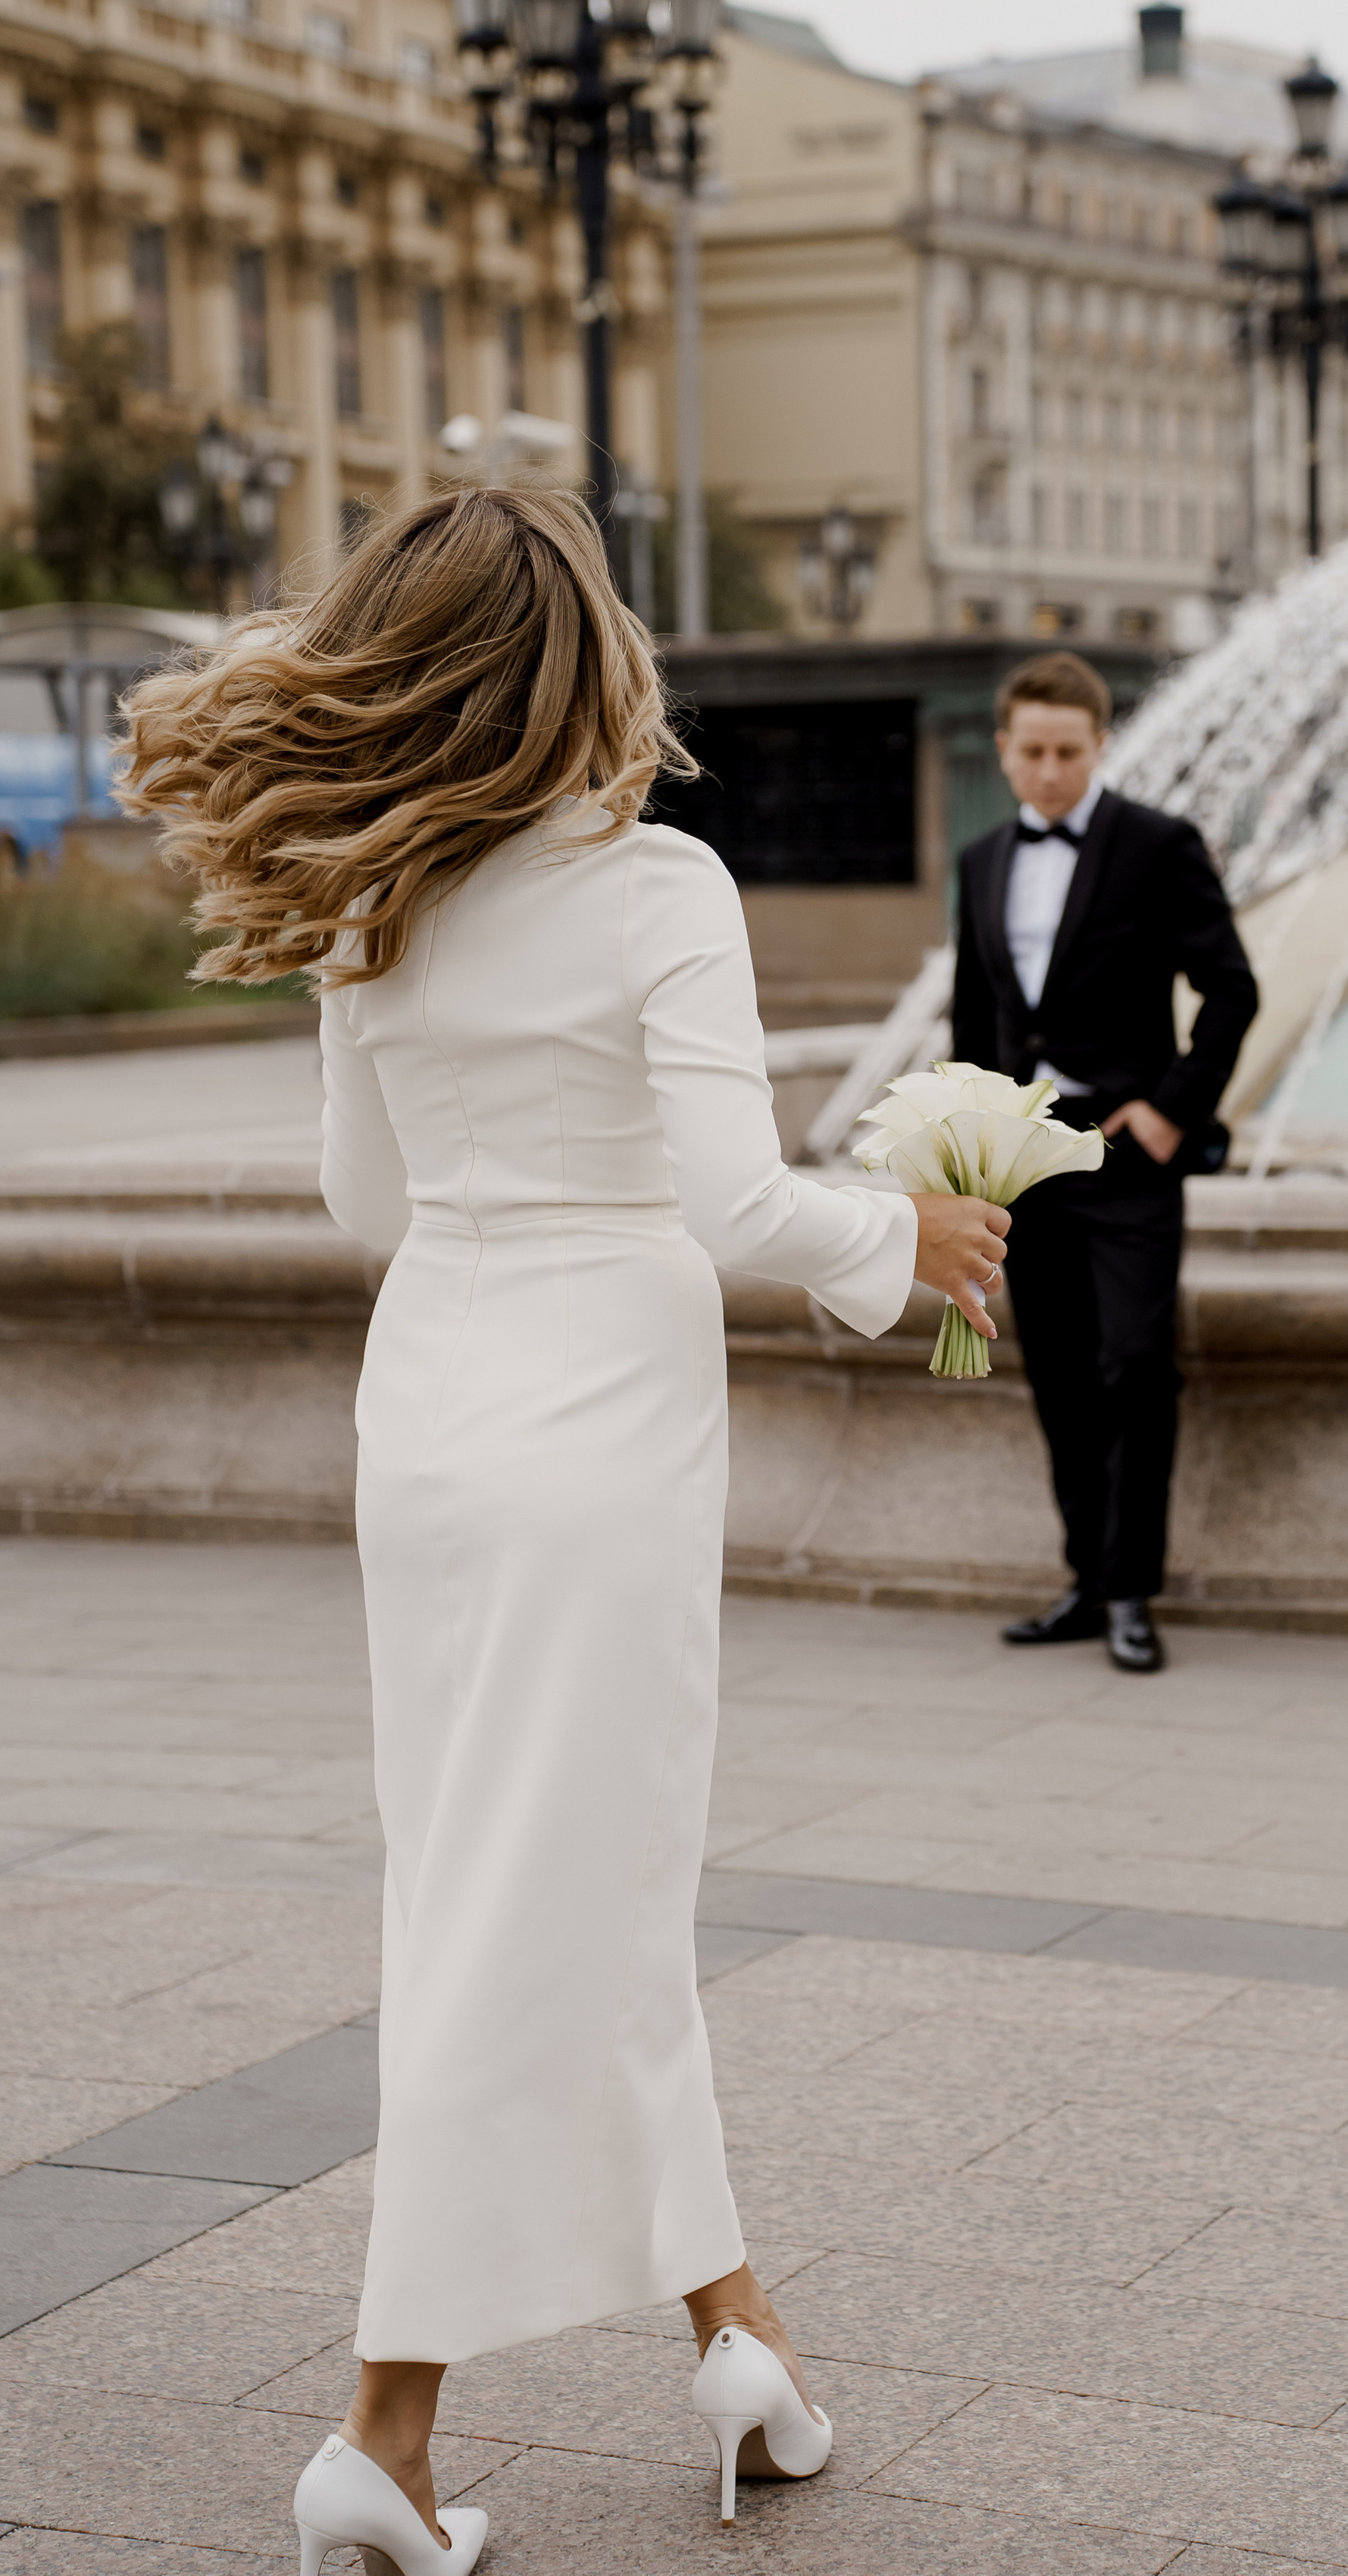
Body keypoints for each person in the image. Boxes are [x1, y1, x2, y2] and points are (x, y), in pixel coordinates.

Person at [120, 487, 1009, 2560]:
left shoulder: (375, 904)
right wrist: (909, 1231)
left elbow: (370, 1210)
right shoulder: (660, 886)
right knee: (535, 1905)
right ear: (583, 659)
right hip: (602, 1428)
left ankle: (739, 2339)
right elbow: (732, 1203)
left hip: (430, 1421)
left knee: (544, 1880)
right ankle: (386, 2431)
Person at [952, 651, 1257, 1674]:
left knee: (1134, 1367)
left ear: (1100, 747)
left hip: (1128, 1161)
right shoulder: (982, 861)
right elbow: (975, 1015)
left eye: (1067, 753)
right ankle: (1086, 1581)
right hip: (1023, 1163)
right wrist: (965, 1145)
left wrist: (1171, 1113)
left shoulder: (1157, 845)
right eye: (1031, 752)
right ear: (1004, 752)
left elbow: (1232, 990)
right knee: (1062, 1378)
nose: (1048, 770)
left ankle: (1134, 1592)